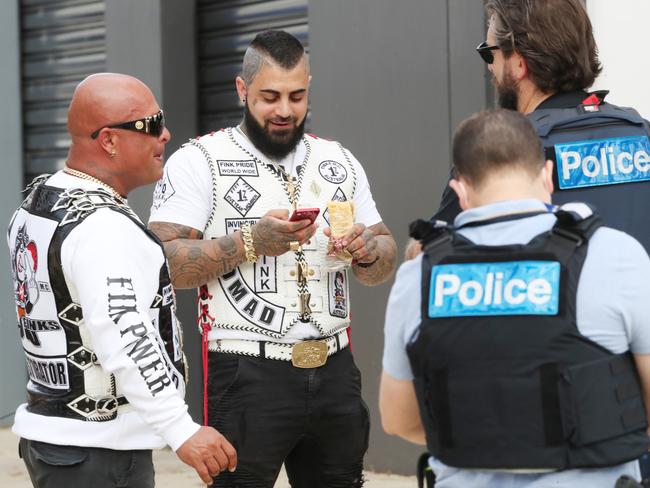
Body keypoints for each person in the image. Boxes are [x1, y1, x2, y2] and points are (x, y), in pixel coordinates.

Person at [148, 30, 397, 487]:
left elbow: (385, 253)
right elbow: (160, 263)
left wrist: (366, 252)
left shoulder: (338, 159)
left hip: (335, 366)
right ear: (242, 91)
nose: (285, 110)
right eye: (270, 96)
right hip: (246, 370)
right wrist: (250, 243)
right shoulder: (199, 159)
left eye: (297, 96)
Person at [380, 109, 650, 488]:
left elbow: (398, 419)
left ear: (460, 191)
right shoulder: (616, 254)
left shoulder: (418, 277)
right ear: (548, 177)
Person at [7, 73, 237, 488]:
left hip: (55, 445)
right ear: (109, 141)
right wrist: (180, 429)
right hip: (99, 457)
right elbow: (126, 334)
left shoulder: (39, 202)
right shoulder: (104, 228)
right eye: (150, 125)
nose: (165, 134)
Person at [406, 0, 650, 260]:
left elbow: (431, 256)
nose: (489, 66)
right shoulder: (643, 134)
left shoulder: (497, 150)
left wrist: (415, 249)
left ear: (520, 64)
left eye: (490, 53)